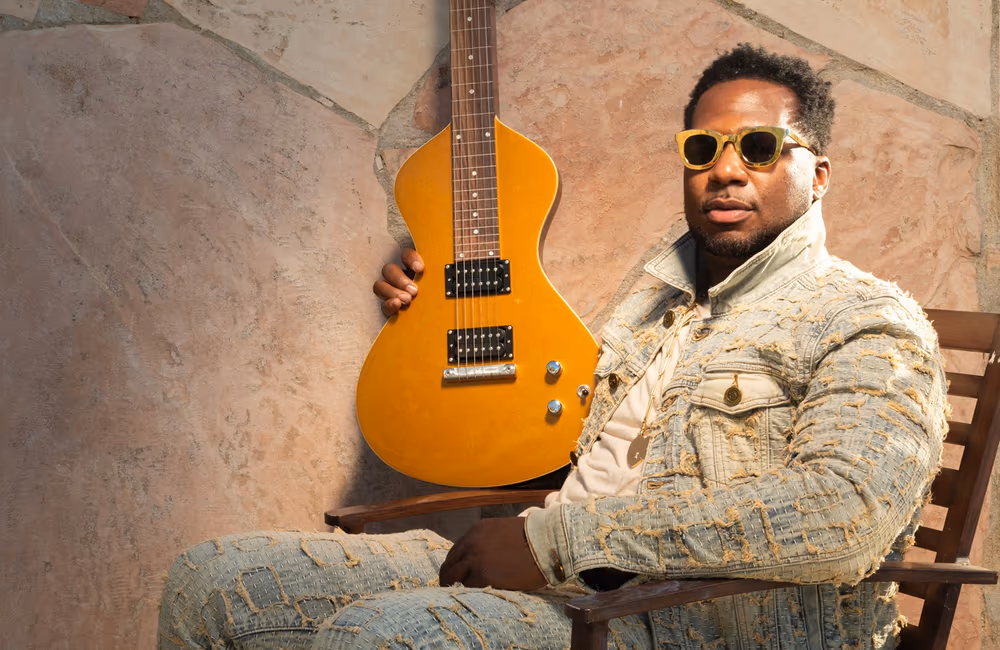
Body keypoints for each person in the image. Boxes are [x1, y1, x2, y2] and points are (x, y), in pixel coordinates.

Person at [158, 44, 948, 649]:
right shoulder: (655, 303)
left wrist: (557, 540)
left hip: (668, 622)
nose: (726, 171)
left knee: (380, 638)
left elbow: (846, 513)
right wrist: (433, 309)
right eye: (703, 152)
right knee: (212, 583)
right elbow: (548, 433)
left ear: (819, 174)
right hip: (547, 571)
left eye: (761, 148)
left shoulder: (865, 321)